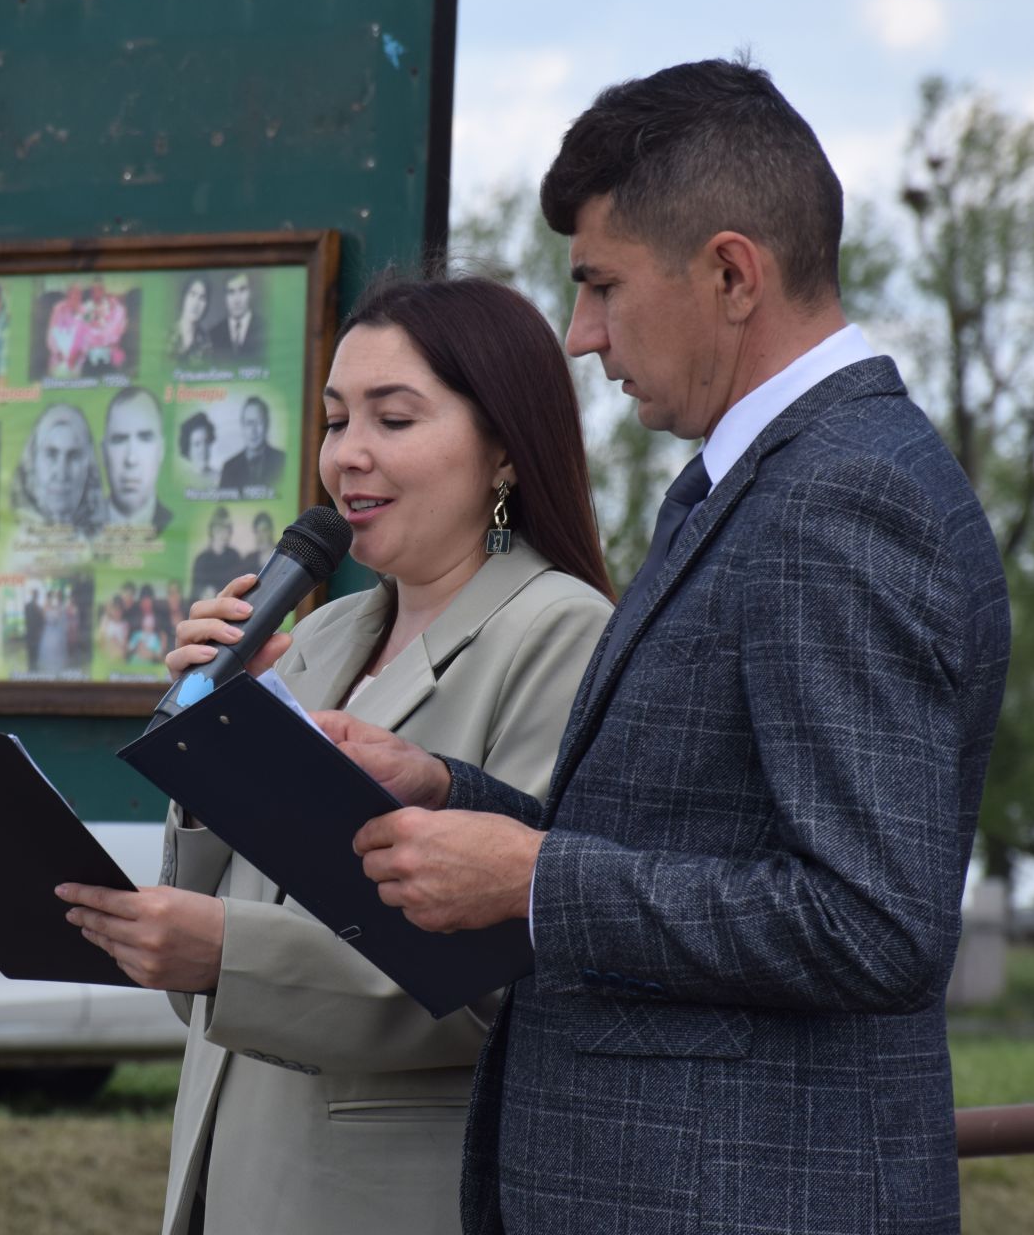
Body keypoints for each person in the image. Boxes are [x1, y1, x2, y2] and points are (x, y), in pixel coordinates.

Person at [329, 60, 1011, 1235]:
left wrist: (533, 879)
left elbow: (874, 922)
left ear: (732, 273)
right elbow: (691, 833)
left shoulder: (837, 499)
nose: (584, 336)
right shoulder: (766, 482)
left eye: (601, 285)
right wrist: (449, 790)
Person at [57, 273, 617, 1235]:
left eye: (392, 419)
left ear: (504, 455)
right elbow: (233, 901)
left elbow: (503, 979)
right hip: (227, 1174)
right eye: (332, 421)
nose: (345, 458)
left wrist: (223, 953)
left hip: (382, 1195)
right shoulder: (323, 635)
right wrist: (211, 739)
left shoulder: (561, 630)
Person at [11, 402, 103, 536]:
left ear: (88, 468)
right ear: (32, 462)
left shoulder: (104, 542)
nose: (61, 473)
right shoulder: (11, 545)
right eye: (51, 454)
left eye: (74, 456)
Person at [102, 387, 172, 536]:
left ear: (161, 450)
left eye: (145, 438)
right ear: (104, 452)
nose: (131, 459)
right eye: (119, 440)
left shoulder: (173, 523)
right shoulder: (79, 528)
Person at [216, 395, 284, 492]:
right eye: (249, 423)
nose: (253, 430)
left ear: (267, 424)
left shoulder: (282, 460)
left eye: (259, 422)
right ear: (242, 427)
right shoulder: (229, 468)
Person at [187, 505, 242, 603]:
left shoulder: (235, 557)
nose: (223, 533)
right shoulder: (201, 560)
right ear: (212, 530)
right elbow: (193, 595)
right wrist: (203, 592)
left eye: (226, 529)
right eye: (219, 528)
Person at [213, 271, 262, 361]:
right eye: (231, 292)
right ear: (225, 298)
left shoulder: (265, 328)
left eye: (242, 290)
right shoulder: (213, 334)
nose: (237, 300)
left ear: (251, 293)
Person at [167, 275, 214, 363]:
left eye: (202, 298)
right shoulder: (166, 334)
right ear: (183, 297)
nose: (196, 303)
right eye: (192, 294)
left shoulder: (206, 341)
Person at [178, 411, 220, 490]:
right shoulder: (181, 482)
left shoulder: (220, 478)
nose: (203, 449)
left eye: (206, 442)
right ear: (188, 450)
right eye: (197, 444)